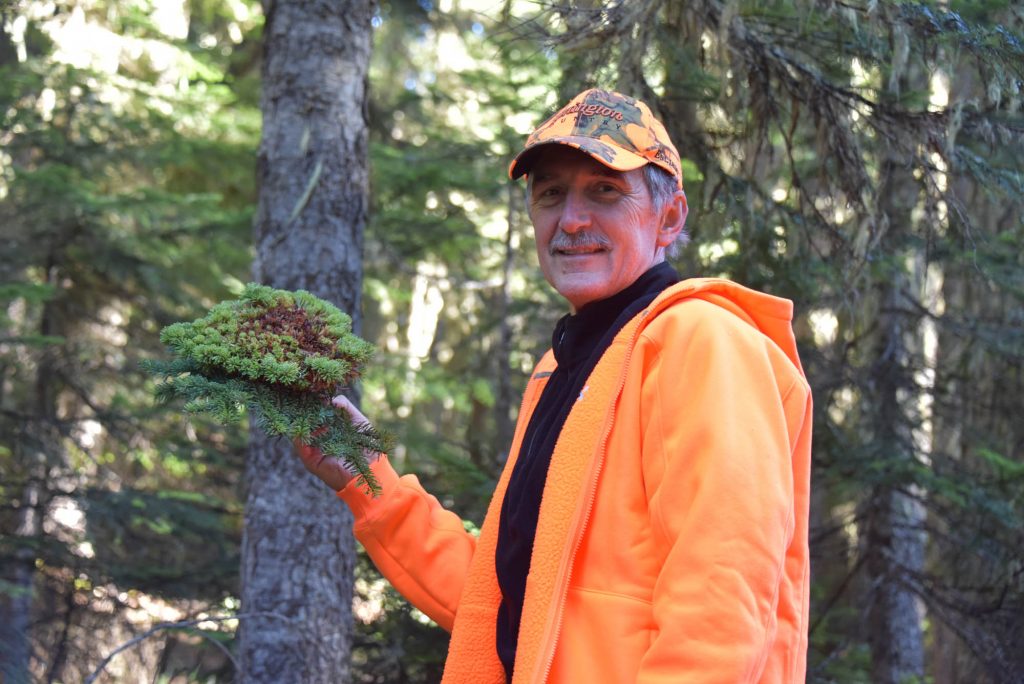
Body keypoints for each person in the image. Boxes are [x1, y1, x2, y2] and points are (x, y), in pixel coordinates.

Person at [297, 88, 812, 683]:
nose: (571, 219)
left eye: (605, 190)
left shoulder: (702, 341)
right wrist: (369, 478)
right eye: (550, 194)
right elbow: (501, 605)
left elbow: (722, 607)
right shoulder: (565, 369)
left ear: (669, 218)